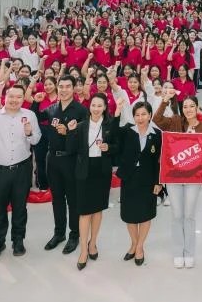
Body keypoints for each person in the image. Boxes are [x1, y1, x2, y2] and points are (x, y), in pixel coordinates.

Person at [0, 83, 42, 259]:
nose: (14, 100)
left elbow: (36, 140)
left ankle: (18, 241)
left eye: (19, 97)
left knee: (20, 207)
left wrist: (29, 133)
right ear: (5, 97)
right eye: (11, 96)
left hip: (22, 169)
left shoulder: (29, 115)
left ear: (23, 99)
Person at [154, 92, 202, 268]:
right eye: (185, 106)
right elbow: (157, 119)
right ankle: (178, 252)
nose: (188, 109)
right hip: (174, 176)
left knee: (189, 216)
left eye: (191, 106)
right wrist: (165, 100)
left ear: (197, 108)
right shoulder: (176, 121)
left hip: (193, 178)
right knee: (177, 215)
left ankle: (189, 252)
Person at [67, 92, 119, 270]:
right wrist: (71, 132)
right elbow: (71, 149)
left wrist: (108, 147)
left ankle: (93, 243)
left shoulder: (110, 125)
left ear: (105, 107)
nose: (96, 109)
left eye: (99, 106)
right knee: (84, 212)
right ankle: (83, 249)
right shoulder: (81, 126)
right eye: (93, 105)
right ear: (89, 107)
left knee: (97, 210)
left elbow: (117, 146)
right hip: (84, 171)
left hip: (102, 171)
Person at [41, 74, 86, 255]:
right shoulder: (52, 109)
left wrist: (69, 133)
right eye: (61, 86)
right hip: (53, 159)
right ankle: (59, 233)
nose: (64, 90)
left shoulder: (81, 110)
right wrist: (36, 101)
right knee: (57, 198)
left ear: (74, 88)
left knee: (72, 199)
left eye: (68, 86)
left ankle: (74, 235)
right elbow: (36, 116)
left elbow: (85, 138)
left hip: (71, 159)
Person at [117, 101, 163, 266]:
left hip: (148, 179)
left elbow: (160, 161)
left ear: (150, 115)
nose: (140, 118)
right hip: (129, 178)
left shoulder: (157, 134)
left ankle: (139, 247)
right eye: (137, 115)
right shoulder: (126, 131)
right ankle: (134, 243)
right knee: (129, 214)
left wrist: (159, 182)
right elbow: (113, 136)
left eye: (144, 114)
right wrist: (117, 112)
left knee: (145, 214)